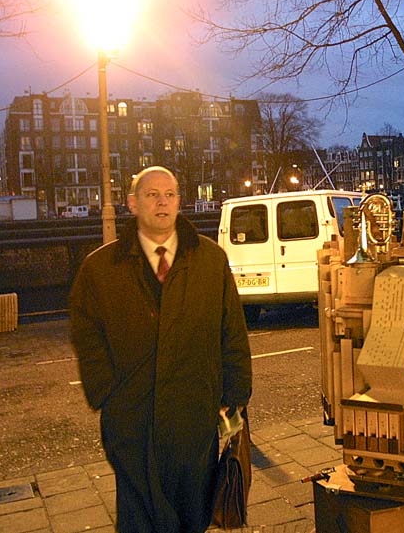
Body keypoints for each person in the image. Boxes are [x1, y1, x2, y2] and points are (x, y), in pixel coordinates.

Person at [69, 166, 252, 532]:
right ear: (133, 203)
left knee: (191, 514)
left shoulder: (210, 259)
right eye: (152, 194)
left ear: (179, 203)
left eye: (169, 194)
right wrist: (105, 391)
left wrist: (235, 394)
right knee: (141, 518)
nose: (162, 202)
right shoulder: (101, 268)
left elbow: (231, 330)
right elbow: (86, 332)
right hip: (133, 422)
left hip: (193, 418)